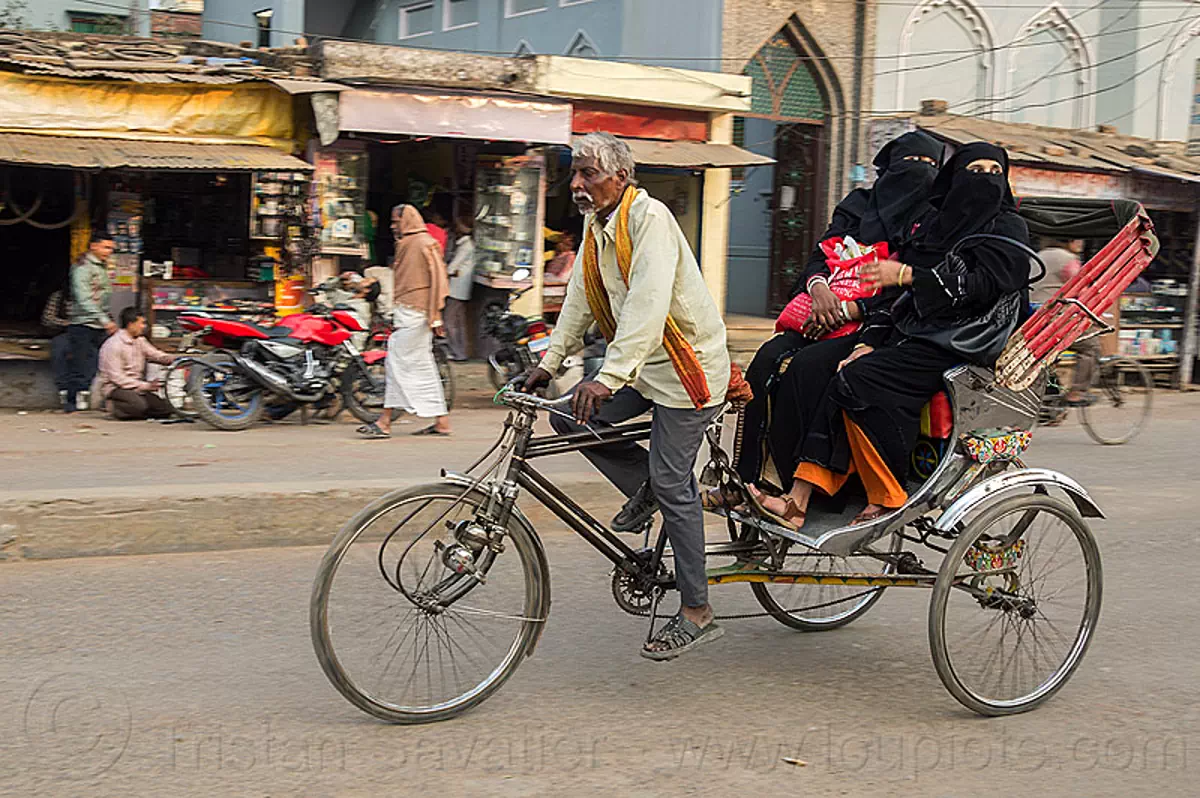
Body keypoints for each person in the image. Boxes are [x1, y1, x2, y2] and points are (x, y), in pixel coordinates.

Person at [523, 132, 731, 661]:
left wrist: (608, 375)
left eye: (587, 173)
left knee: (673, 483)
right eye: (575, 173)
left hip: (688, 372)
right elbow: (578, 302)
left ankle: (698, 612)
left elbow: (648, 302)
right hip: (642, 371)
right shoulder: (597, 229)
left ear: (621, 177)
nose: (576, 184)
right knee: (569, 419)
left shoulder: (649, 219)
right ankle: (650, 488)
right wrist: (547, 366)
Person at [752, 142, 1031, 529]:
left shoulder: (1008, 226)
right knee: (825, 366)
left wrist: (906, 278)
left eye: (992, 172)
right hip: (913, 330)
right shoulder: (936, 225)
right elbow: (902, 300)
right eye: (974, 171)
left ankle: (887, 492)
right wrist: (871, 339)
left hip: (963, 340)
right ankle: (795, 496)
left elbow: (983, 284)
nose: (983, 181)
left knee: (856, 378)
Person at [734, 131, 944, 488]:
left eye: (930, 165)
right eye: (911, 162)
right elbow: (821, 255)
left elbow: (911, 285)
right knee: (766, 359)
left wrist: (851, 310)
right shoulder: (858, 205)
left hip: (879, 324)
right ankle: (745, 475)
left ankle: (786, 479)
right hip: (823, 309)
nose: (919, 172)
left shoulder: (930, 220)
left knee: (807, 368)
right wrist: (819, 292)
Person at [358, 204, 451, 438]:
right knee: (420, 366)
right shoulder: (410, 243)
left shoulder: (423, 243)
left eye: (395, 221)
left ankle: (385, 421)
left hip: (417, 314)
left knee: (397, 364)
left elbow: (439, 280)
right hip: (409, 313)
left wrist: (435, 315)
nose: (392, 226)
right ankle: (441, 421)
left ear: (406, 220)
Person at [1032, 240, 1096, 404]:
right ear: (1067, 240)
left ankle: (1050, 403)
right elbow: (1082, 290)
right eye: (1077, 240)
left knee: (1047, 358)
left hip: (1031, 318)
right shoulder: (1067, 259)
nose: (1081, 244)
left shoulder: (1037, 257)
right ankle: (1077, 392)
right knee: (1090, 346)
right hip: (1053, 320)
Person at [65, 229, 116, 413]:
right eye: (105, 247)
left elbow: (101, 297)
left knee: (103, 363)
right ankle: (72, 404)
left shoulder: (101, 266)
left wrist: (107, 319)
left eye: (111, 248)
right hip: (83, 324)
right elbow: (84, 299)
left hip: (99, 323)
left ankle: (96, 401)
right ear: (93, 246)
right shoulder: (83, 267)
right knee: (80, 365)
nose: (108, 251)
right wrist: (105, 320)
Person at [97, 307, 174, 420]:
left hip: (136, 387)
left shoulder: (140, 341)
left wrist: (170, 359)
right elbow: (117, 378)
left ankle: (140, 411)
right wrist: (146, 386)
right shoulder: (113, 345)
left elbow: (154, 354)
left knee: (165, 409)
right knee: (139, 406)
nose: (143, 326)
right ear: (131, 324)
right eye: (141, 323)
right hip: (116, 388)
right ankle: (112, 407)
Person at [444, 214, 476, 361]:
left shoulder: (466, 246)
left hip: (457, 290)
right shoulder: (466, 244)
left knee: (450, 322)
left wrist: (446, 270)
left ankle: (458, 352)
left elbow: (452, 268)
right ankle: (462, 351)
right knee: (459, 321)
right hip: (460, 289)